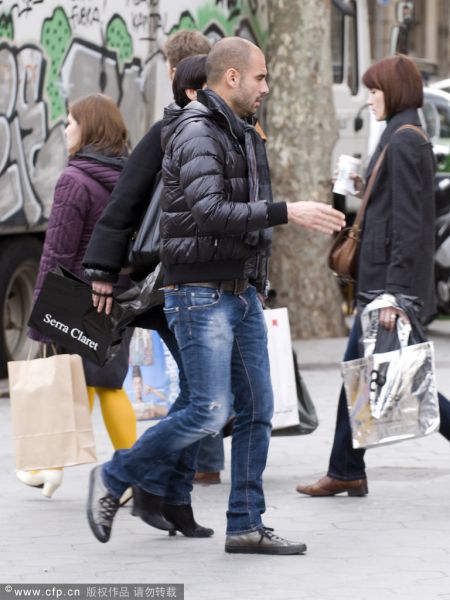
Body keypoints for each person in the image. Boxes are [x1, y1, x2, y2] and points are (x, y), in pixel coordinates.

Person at [85, 36, 345, 554]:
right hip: (199, 291)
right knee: (207, 408)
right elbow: (210, 211)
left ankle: (246, 525)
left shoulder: (244, 132)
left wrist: (258, 281)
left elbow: (246, 219)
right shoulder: (196, 130)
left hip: (240, 291)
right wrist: (287, 211)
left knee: (256, 410)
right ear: (232, 78)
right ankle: (115, 477)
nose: (266, 87)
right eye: (261, 77)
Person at [296, 55, 450, 498]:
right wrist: (363, 185)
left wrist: (397, 297)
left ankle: (345, 470)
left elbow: (410, 226)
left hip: (387, 286)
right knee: (362, 374)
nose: (368, 101)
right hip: (381, 283)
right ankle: (345, 470)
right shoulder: (402, 135)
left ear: (394, 93)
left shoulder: (404, 141)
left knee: (407, 381)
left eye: (374, 91)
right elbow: (400, 205)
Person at [84, 52, 217, 538]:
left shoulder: (227, 132)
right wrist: (100, 270)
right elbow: (125, 200)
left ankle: (164, 495)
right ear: (193, 91)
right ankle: (136, 480)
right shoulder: (169, 132)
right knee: (207, 399)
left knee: (201, 396)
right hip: (167, 285)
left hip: (202, 283)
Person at [17, 94, 136, 498]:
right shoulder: (127, 177)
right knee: (96, 381)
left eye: (70, 122)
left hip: (81, 297)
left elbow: (57, 253)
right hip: (118, 295)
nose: (65, 129)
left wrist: (41, 312)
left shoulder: (74, 180)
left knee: (94, 383)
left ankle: (126, 471)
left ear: (89, 129)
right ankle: (49, 465)